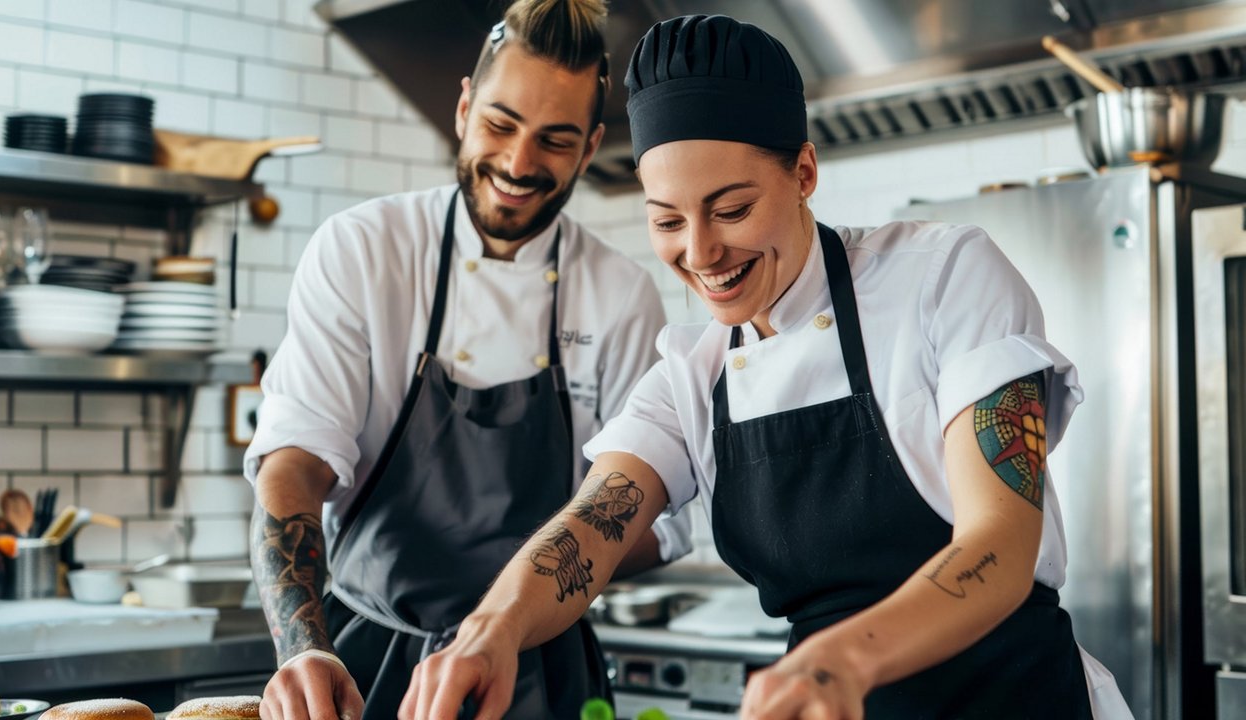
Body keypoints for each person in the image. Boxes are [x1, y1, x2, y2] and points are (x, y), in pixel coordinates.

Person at [399, 14, 1134, 720]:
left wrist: (840, 660)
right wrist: (491, 630)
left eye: (730, 208)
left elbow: (1000, 546)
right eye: (667, 221)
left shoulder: (943, 278)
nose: (700, 252)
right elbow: (593, 525)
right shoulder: (694, 373)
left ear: (804, 171)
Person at [243, 2, 694, 718]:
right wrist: (303, 648)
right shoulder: (363, 250)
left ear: (591, 146)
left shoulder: (619, 295)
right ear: (462, 106)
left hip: (541, 674)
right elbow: (293, 461)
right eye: (500, 124)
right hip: (369, 661)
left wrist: (526, 589)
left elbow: (651, 519)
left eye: (555, 140)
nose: (519, 163)